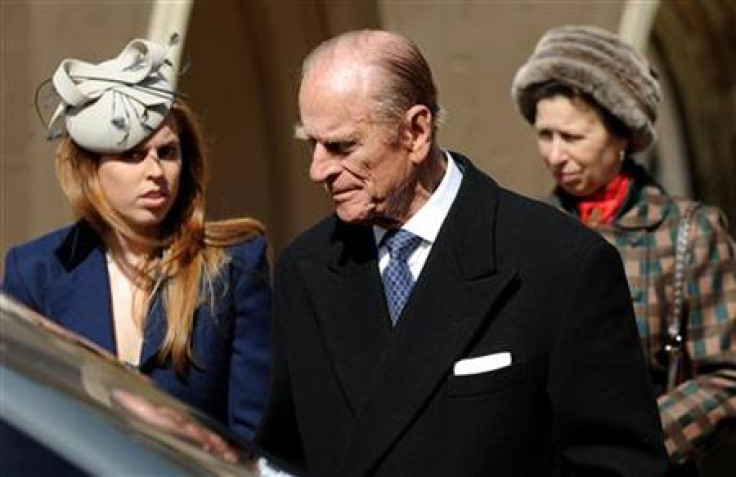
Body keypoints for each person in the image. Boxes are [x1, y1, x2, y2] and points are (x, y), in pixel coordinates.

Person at [256, 29, 667, 475]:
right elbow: (284, 456)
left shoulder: (561, 264)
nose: (318, 170)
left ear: (415, 131)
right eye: (310, 143)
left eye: (340, 146)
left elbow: (619, 466)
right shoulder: (305, 270)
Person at [2, 37, 271, 442]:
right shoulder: (38, 271)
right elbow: (19, 427)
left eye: (167, 153)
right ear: (90, 169)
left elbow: (254, 433)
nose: (156, 171)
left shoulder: (233, 266)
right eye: (132, 155)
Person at [511, 25, 736, 473]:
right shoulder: (527, 234)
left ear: (622, 137)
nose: (555, 156)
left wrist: (632, 442)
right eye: (544, 135)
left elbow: (728, 376)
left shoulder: (689, 234)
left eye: (572, 137)